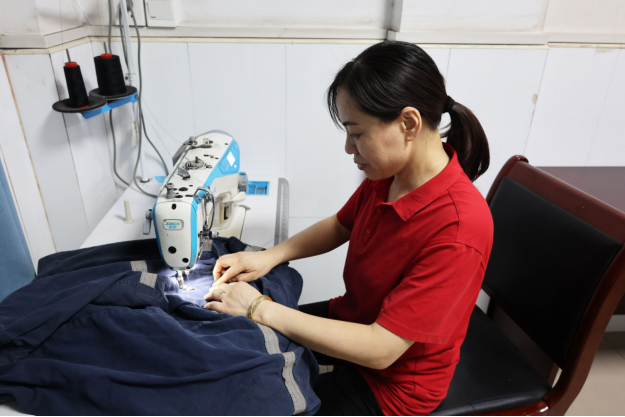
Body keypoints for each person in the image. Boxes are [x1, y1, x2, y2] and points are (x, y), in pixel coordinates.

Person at [204, 40, 494, 416]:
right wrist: (268, 257)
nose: (348, 147)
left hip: (393, 383)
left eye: (356, 133)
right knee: (241, 343)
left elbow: (381, 349)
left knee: (255, 397)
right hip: (355, 320)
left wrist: (258, 307)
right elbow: (340, 225)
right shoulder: (390, 174)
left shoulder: (459, 228)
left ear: (408, 124)